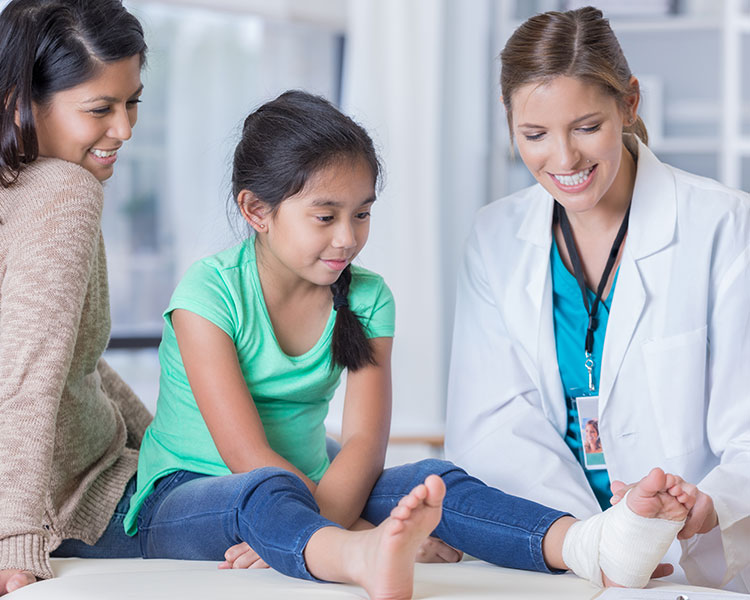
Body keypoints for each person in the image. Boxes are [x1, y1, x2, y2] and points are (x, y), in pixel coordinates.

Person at [123, 90, 695, 600]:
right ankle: (358, 556)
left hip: (302, 493)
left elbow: (365, 446)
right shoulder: (208, 294)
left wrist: (300, 532)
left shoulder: (368, 298)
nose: (347, 238)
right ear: (257, 211)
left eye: (362, 214)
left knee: (427, 479)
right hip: (188, 495)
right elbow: (245, 459)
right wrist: (322, 532)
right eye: (324, 216)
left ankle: (590, 545)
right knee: (262, 491)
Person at [444, 6, 750, 592]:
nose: (564, 160)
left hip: (691, 563)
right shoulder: (493, 236)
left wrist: (708, 503)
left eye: (586, 127)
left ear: (629, 104)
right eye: (534, 135)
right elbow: (489, 426)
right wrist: (590, 539)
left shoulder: (723, 224)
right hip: (560, 551)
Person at [0, 1, 245, 595]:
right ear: (19, 102)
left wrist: (162, 440)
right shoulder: (64, 189)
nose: (125, 129)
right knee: (298, 473)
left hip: (93, 478)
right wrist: (13, 539)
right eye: (100, 109)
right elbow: (27, 369)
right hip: (83, 505)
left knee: (311, 456)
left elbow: (77, 362)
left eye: (132, 101)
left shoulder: (18, 183)